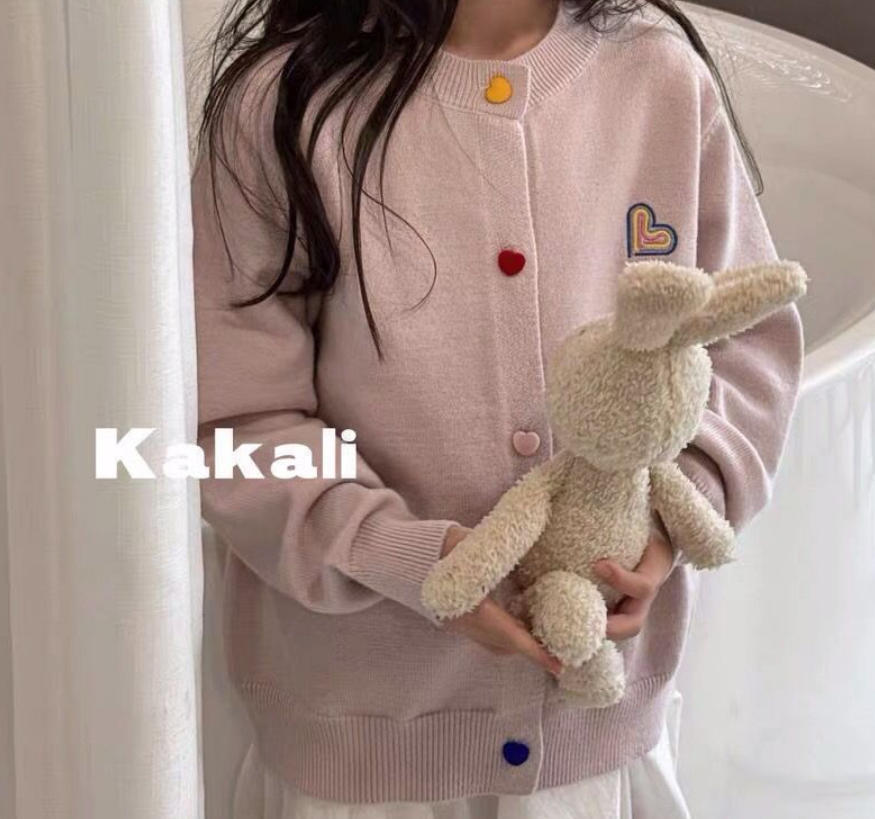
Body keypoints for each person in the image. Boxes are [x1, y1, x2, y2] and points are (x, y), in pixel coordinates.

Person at [190, 1, 804, 816]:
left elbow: (744, 345)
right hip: (361, 736)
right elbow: (232, 424)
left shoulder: (659, 80)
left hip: (591, 730)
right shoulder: (282, 106)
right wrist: (400, 554)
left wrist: (667, 516)